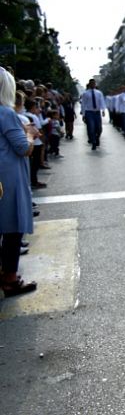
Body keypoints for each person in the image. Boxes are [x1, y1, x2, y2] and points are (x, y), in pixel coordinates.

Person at [0, 67, 37, 297]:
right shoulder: (6, 112)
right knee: (12, 229)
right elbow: (24, 148)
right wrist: (30, 134)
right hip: (8, 176)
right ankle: (11, 279)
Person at [79, 79, 106, 150]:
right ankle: (93, 142)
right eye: (91, 83)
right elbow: (83, 104)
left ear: (95, 84)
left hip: (97, 112)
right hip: (89, 112)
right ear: (89, 84)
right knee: (91, 127)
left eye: (94, 83)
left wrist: (103, 110)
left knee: (99, 128)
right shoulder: (85, 93)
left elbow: (102, 101)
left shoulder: (99, 93)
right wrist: (83, 114)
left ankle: (97, 138)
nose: (93, 85)